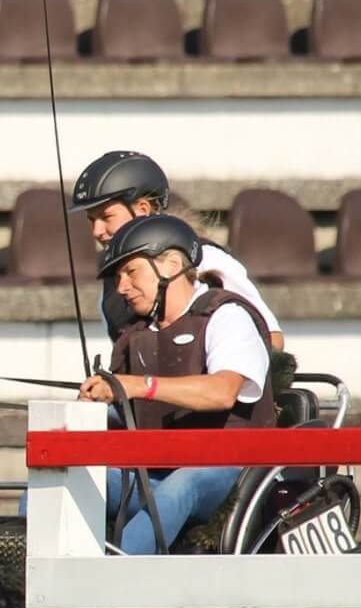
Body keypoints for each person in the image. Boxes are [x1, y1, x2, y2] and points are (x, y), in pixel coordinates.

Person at [78, 214, 276, 556]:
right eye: (118, 276)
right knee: (66, 482)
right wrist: (96, 403)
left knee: (178, 486)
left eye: (131, 272)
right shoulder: (134, 336)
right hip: (153, 473)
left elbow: (222, 391)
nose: (121, 287)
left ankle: (107, 590)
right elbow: (125, 411)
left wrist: (140, 385)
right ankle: (20, 590)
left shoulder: (225, 316)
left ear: (170, 264)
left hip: (231, 475)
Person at [72, 150, 285, 352]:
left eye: (106, 217)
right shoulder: (115, 286)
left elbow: (273, 339)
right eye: (91, 220)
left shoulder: (206, 259)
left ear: (143, 210)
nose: (97, 231)